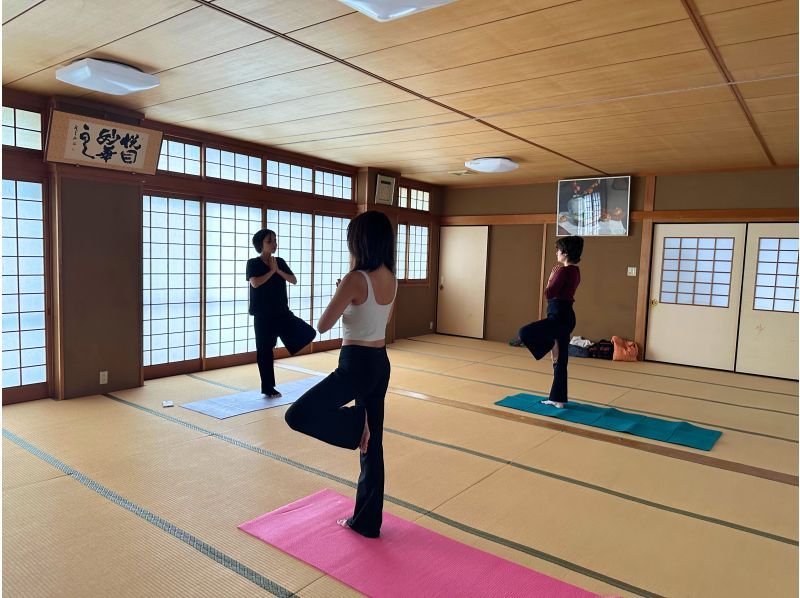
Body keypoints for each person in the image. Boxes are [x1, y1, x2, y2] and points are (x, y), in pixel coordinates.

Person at [284, 211, 396, 538]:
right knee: (373, 449)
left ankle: (354, 422)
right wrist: (349, 300)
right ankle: (367, 522)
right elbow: (382, 322)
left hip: (355, 364)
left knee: (298, 415)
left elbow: (322, 325)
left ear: (360, 242)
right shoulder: (391, 276)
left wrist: (343, 294)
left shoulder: (354, 278)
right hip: (380, 362)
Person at [247, 229, 315, 398]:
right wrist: (271, 271)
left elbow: (293, 280)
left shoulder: (279, 261)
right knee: (264, 351)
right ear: (260, 244)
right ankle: (268, 387)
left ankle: (286, 341)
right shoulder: (253, 263)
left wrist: (277, 270)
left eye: (275, 240)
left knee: (308, 332)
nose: (274, 244)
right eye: (270, 241)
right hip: (262, 315)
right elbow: (255, 283)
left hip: (282, 312)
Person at [518, 235, 583, 408]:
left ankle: (548, 347)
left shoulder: (563, 271)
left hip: (558, 316)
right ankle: (558, 399)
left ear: (566, 252)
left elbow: (549, 293)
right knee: (560, 360)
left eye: (558, 249)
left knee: (524, 332)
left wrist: (550, 279)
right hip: (567, 316)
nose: (556, 252)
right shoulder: (576, 271)